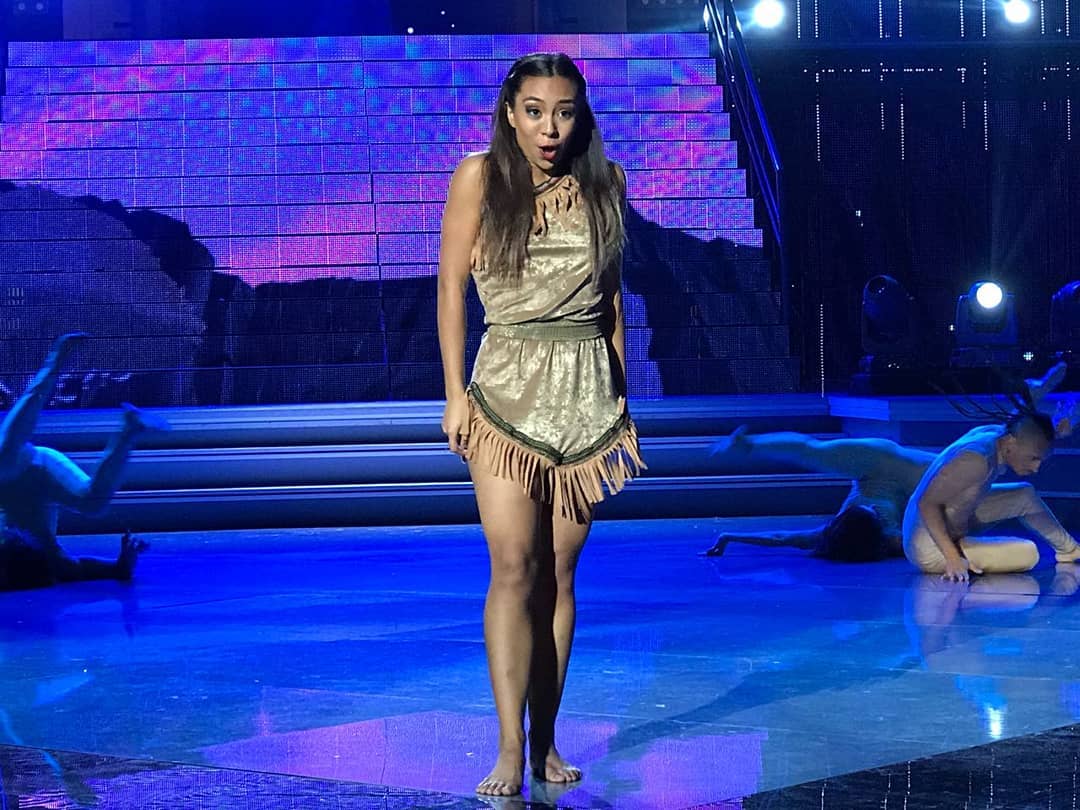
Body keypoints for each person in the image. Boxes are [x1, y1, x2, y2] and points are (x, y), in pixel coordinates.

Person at [437, 53, 644, 797]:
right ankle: (507, 745)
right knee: (514, 565)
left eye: (563, 111)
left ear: (580, 114)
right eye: (534, 111)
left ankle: (546, 742)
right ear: (510, 113)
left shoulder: (608, 181)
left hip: (587, 390)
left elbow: (611, 300)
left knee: (559, 573)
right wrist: (454, 393)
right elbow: (451, 289)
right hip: (506, 385)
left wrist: (622, 399)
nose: (549, 127)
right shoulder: (478, 177)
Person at [703, 363, 1068, 562]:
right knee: (995, 461)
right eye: (877, 517)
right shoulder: (886, 537)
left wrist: (730, 536)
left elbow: (784, 535)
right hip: (925, 484)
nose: (876, 512)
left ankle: (748, 444)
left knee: (815, 451)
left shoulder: (832, 528)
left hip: (882, 465)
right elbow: (787, 539)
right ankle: (1033, 401)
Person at [0, 333, 165, 590]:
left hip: (14, 466)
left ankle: (53, 365)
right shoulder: (45, 559)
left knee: (5, 459)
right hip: (39, 472)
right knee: (92, 503)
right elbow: (79, 568)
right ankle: (129, 429)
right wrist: (121, 564)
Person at [903, 407, 1080, 581]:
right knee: (1028, 553)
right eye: (1034, 458)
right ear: (1010, 443)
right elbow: (926, 503)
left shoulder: (999, 435)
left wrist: (1057, 428)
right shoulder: (975, 459)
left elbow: (1028, 429)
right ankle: (958, 550)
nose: (1036, 468)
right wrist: (953, 558)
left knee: (1024, 494)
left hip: (957, 520)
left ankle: (1071, 550)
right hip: (929, 546)